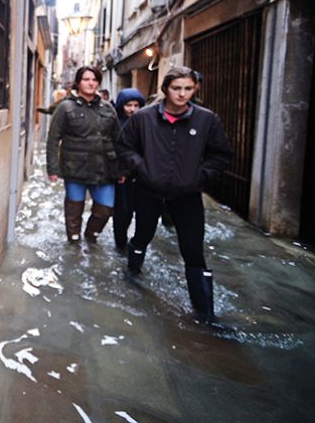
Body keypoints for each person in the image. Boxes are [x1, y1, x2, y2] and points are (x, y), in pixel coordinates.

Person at [118, 67, 233, 321]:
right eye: (176, 88)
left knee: (193, 251)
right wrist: (142, 169)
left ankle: (206, 316)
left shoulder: (206, 120)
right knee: (142, 235)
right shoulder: (143, 118)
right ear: (165, 89)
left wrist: (200, 177)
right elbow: (125, 146)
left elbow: (221, 156)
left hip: (187, 195)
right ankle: (132, 276)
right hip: (148, 190)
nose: (182, 94)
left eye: (188, 89)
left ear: (195, 89)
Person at [46, 66, 124, 243]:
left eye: (94, 79)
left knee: (105, 209)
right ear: (78, 82)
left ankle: (91, 236)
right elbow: (53, 139)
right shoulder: (65, 107)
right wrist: (53, 169)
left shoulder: (108, 108)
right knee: (74, 211)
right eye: (86, 79)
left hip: (104, 167)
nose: (90, 83)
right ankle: (73, 243)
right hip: (75, 168)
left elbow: (118, 139)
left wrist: (121, 170)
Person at [112, 88, 145, 251]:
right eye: (128, 105)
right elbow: (113, 149)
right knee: (123, 212)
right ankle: (120, 242)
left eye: (136, 105)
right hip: (123, 176)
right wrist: (120, 172)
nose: (132, 109)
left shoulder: (145, 122)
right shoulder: (116, 123)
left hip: (142, 176)